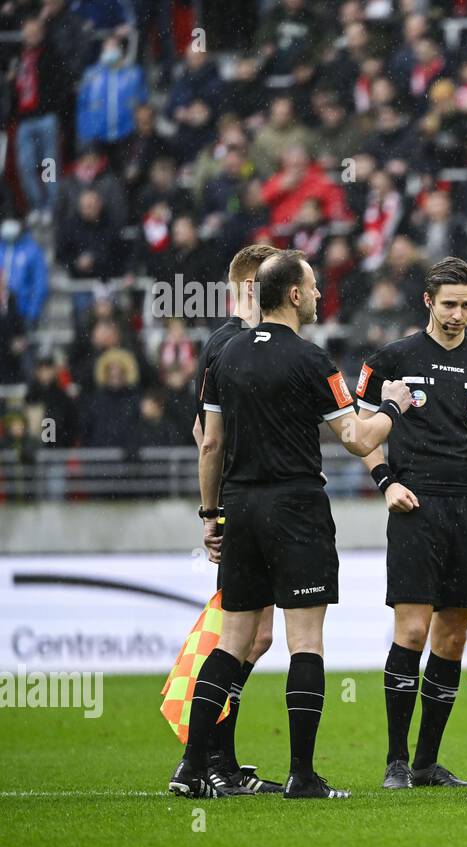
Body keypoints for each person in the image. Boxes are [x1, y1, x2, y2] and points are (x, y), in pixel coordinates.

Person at [170, 250, 412, 800]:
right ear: (294, 295)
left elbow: (209, 441)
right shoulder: (312, 360)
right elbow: (356, 439)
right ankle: (303, 775)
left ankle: (191, 767)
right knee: (305, 642)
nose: (322, 295)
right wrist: (393, 407)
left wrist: (211, 514)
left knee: (230, 644)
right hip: (296, 507)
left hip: (240, 507)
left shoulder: (224, 355)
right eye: (314, 286)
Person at [352, 257, 467, 790]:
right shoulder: (392, 359)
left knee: (451, 638)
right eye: (449, 304)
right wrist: (385, 482)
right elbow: (360, 432)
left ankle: (426, 763)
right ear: (428, 300)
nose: (458, 314)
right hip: (415, 507)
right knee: (413, 631)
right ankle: (395, 761)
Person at [178, 243, 282, 795]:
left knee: (253, 637)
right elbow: (207, 438)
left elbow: (200, 429)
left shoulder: (223, 343)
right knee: (240, 637)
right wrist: (213, 513)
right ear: (250, 287)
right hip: (250, 504)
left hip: (242, 503)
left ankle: (215, 759)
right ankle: (208, 761)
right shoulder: (235, 342)